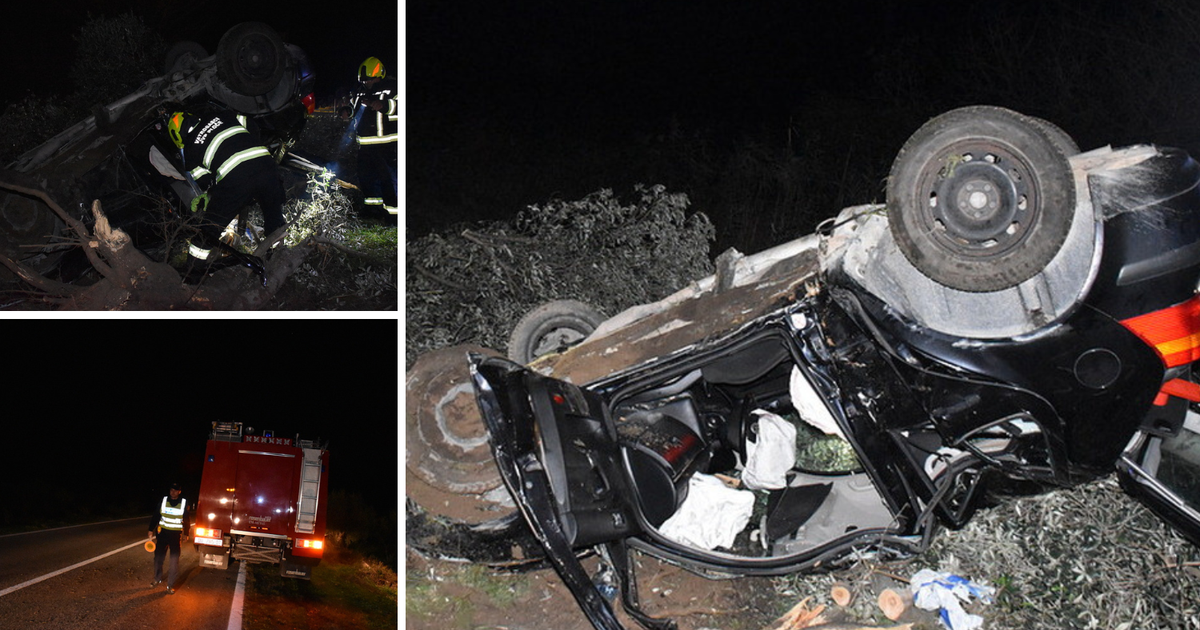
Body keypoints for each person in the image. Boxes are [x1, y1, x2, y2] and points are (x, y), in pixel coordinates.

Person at [166, 108, 287, 276]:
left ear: (177, 136)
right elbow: (251, 124)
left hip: (237, 180)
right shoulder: (219, 115)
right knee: (274, 217)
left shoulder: (190, 150)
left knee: (209, 229)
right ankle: (279, 260)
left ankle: (193, 272)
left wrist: (214, 197)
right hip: (267, 167)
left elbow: (205, 183)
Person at [351, 57, 398, 219]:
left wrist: (385, 105)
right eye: (364, 80)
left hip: (386, 144)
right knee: (367, 179)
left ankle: (394, 214)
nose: (366, 83)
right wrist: (346, 109)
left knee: (388, 180)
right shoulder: (361, 90)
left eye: (369, 79)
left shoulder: (393, 88)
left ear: (379, 76)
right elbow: (354, 108)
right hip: (364, 145)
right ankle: (372, 210)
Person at [148, 482, 190, 594]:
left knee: (174, 561)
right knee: (158, 558)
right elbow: (156, 515)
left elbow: (186, 519)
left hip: (175, 536)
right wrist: (150, 529)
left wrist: (186, 533)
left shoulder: (183, 502)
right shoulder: (164, 500)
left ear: (179, 492)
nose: (173, 492)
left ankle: (170, 585)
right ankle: (157, 578)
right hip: (162, 534)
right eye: (171, 489)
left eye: (176, 490)